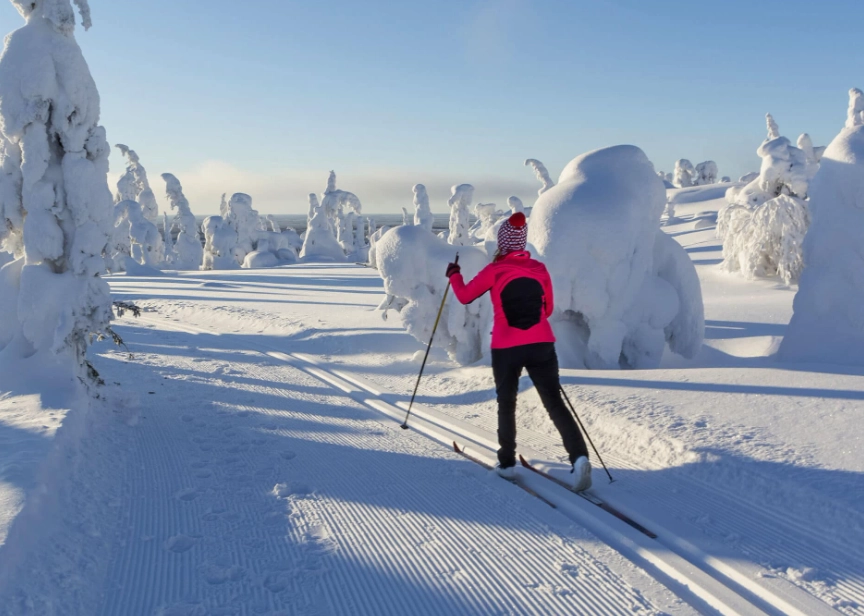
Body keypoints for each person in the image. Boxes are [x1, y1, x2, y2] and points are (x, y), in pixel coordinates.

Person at [445, 212, 592, 491]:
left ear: (502, 243)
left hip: (506, 345)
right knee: (554, 402)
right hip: (542, 345)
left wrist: (454, 275)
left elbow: (465, 296)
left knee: (507, 403)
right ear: (522, 244)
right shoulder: (539, 269)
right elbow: (547, 310)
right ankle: (580, 458)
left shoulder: (494, 271)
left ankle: (508, 463)